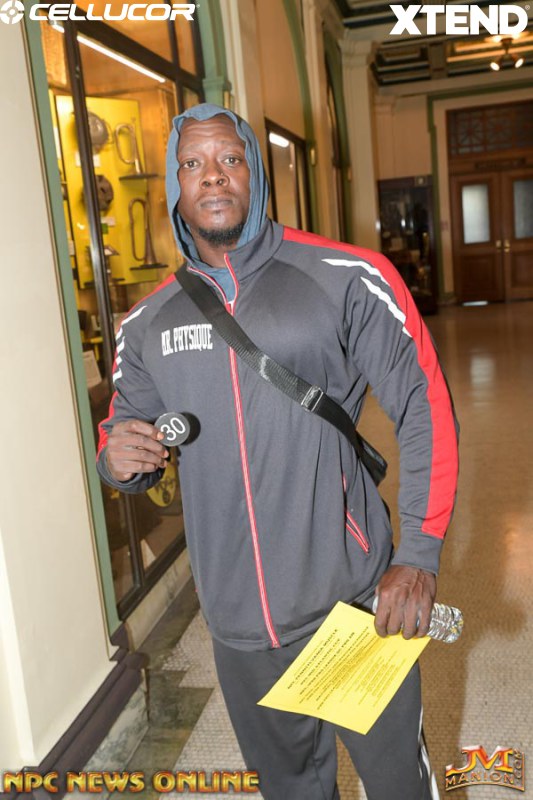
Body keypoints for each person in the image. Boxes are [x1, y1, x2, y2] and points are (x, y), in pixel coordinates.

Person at [97, 103, 458, 799]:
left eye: (229, 159)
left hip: (348, 606)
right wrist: (118, 461)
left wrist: (417, 554)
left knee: (396, 785)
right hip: (238, 626)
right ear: (174, 185)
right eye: (193, 163)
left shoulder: (345, 275)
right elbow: (124, 433)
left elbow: (426, 407)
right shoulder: (147, 323)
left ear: (254, 174)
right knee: (291, 790)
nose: (213, 176)